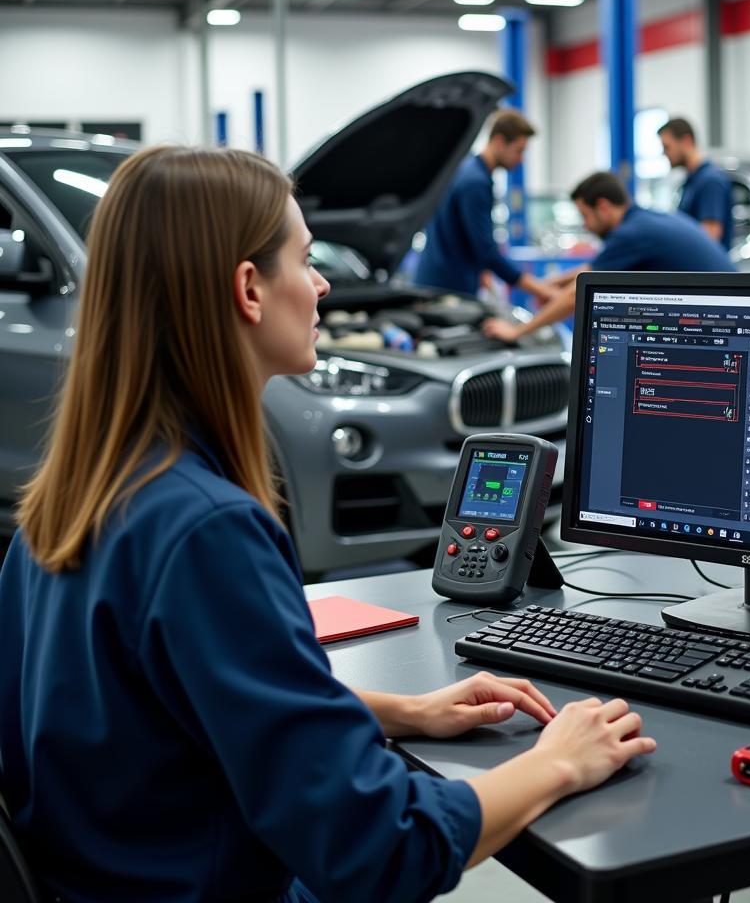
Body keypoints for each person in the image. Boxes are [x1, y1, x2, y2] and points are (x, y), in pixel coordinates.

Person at [0, 146, 656, 903]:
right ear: (249, 288)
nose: (321, 286)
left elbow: (165, 708)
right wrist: (559, 763)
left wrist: (399, 712)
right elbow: (383, 845)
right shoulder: (206, 534)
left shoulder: (65, 503)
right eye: (306, 260)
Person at [484, 171, 735, 343]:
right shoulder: (644, 220)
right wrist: (547, 286)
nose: (586, 225)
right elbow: (592, 269)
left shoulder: (631, 233)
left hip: (722, 323)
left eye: (585, 215)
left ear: (603, 207)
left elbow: (577, 294)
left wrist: (517, 331)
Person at [414, 109, 554, 301]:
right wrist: (538, 289)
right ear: (498, 142)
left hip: (436, 281)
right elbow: (485, 249)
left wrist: (483, 271)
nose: (521, 160)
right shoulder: (476, 183)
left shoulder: (466, 168)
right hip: (449, 291)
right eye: (519, 151)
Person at [658, 117, 734, 248]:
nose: (664, 153)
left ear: (686, 141)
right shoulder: (692, 181)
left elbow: (710, 237)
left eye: (667, 147)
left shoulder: (711, 181)